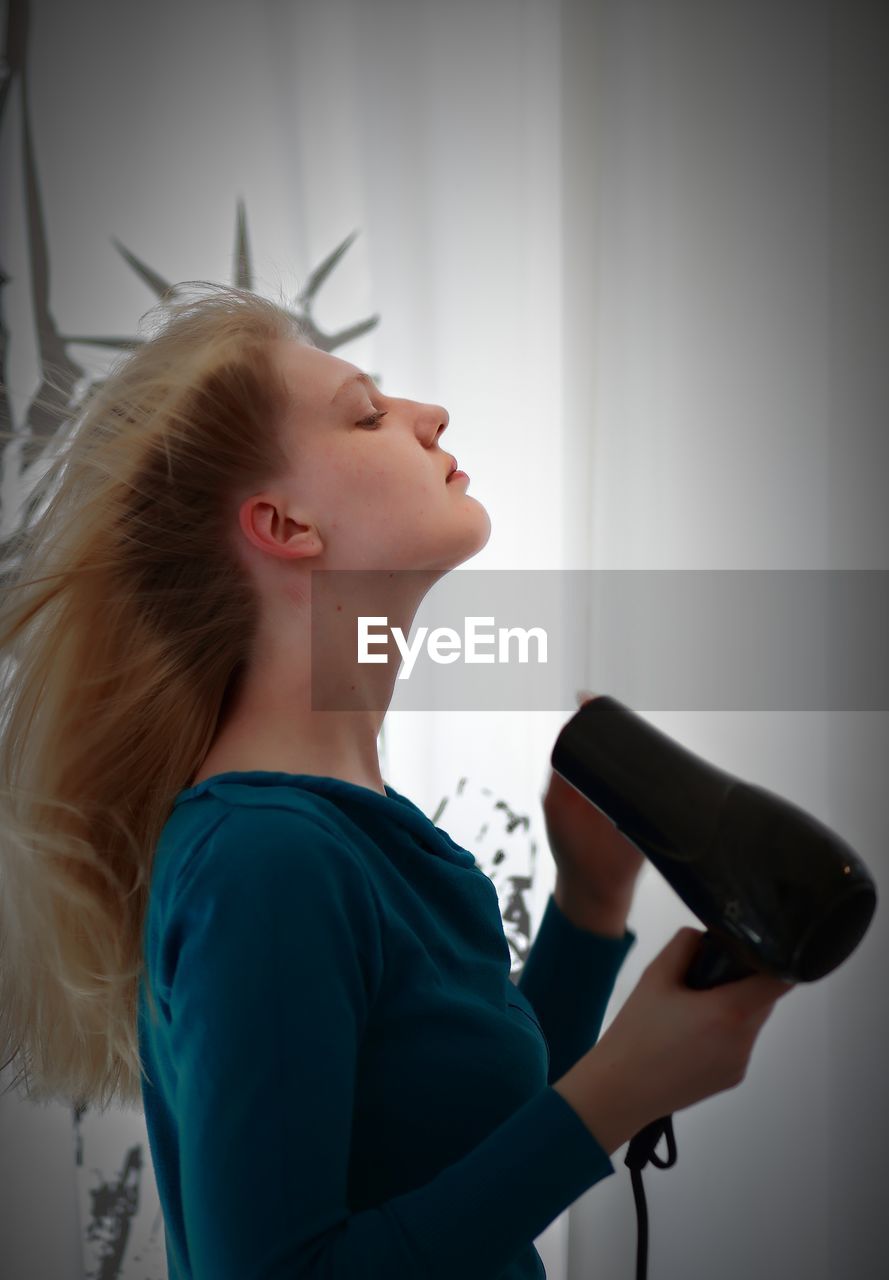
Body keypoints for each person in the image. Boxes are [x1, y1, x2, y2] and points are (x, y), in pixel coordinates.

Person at [0, 282, 795, 1279]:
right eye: (368, 414)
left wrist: (589, 905)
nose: (431, 417)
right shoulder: (266, 860)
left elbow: (456, 1141)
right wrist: (613, 1099)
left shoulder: (353, 830)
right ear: (284, 524)